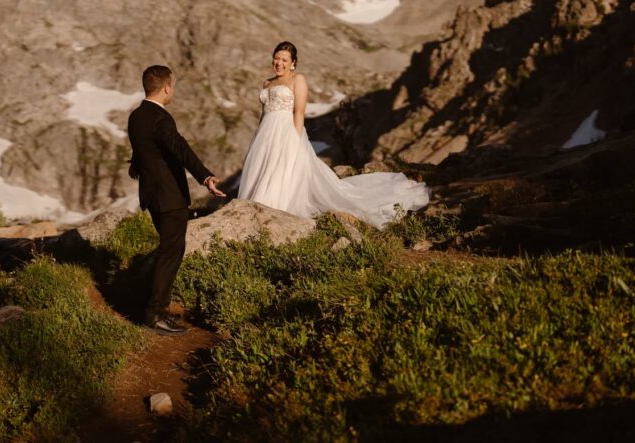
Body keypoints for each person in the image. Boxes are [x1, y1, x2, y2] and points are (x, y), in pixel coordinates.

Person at [237, 42, 429, 227]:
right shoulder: (266, 83)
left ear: (293, 63)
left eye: (284, 60)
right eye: (276, 58)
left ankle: (271, 209)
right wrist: (257, 140)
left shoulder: (298, 80)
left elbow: (299, 112)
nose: (279, 63)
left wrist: (294, 141)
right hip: (265, 134)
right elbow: (264, 114)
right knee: (262, 170)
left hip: (286, 131)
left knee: (282, 171)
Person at [127, 65, 224, 335]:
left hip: (151, 195)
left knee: (170, 249)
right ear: (167, 87)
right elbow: (180, 148)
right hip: (169, 196)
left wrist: (136, 165)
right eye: (174, 85)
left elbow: (142, 147)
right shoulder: (161, 118)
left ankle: (159, 309)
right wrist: (205, 177)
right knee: (171, 252)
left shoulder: (136, 116)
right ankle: (154, 314)